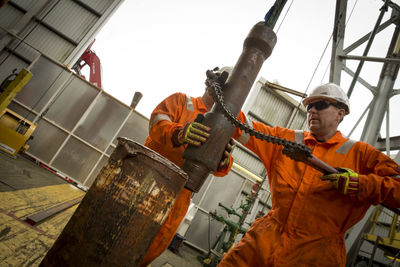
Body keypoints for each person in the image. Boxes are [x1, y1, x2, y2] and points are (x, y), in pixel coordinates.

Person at [218, 83, 400, 266]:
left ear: (340, 113)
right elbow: (240, 126)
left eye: (320, 104)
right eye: (309, 106)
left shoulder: (361, 155)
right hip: (263, 241)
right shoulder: (287, 140)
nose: (312, 110)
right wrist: (226, 93)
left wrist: (359, 184)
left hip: (316, 255)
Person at [140, 67, 234, 267]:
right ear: (209, 83)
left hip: (179, 197)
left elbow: (220, 168)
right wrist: (179, 133)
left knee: (151, 247)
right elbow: (157, 122)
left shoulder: (223, 126)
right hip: (147, 180)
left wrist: (224, 160)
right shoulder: (182, 101)